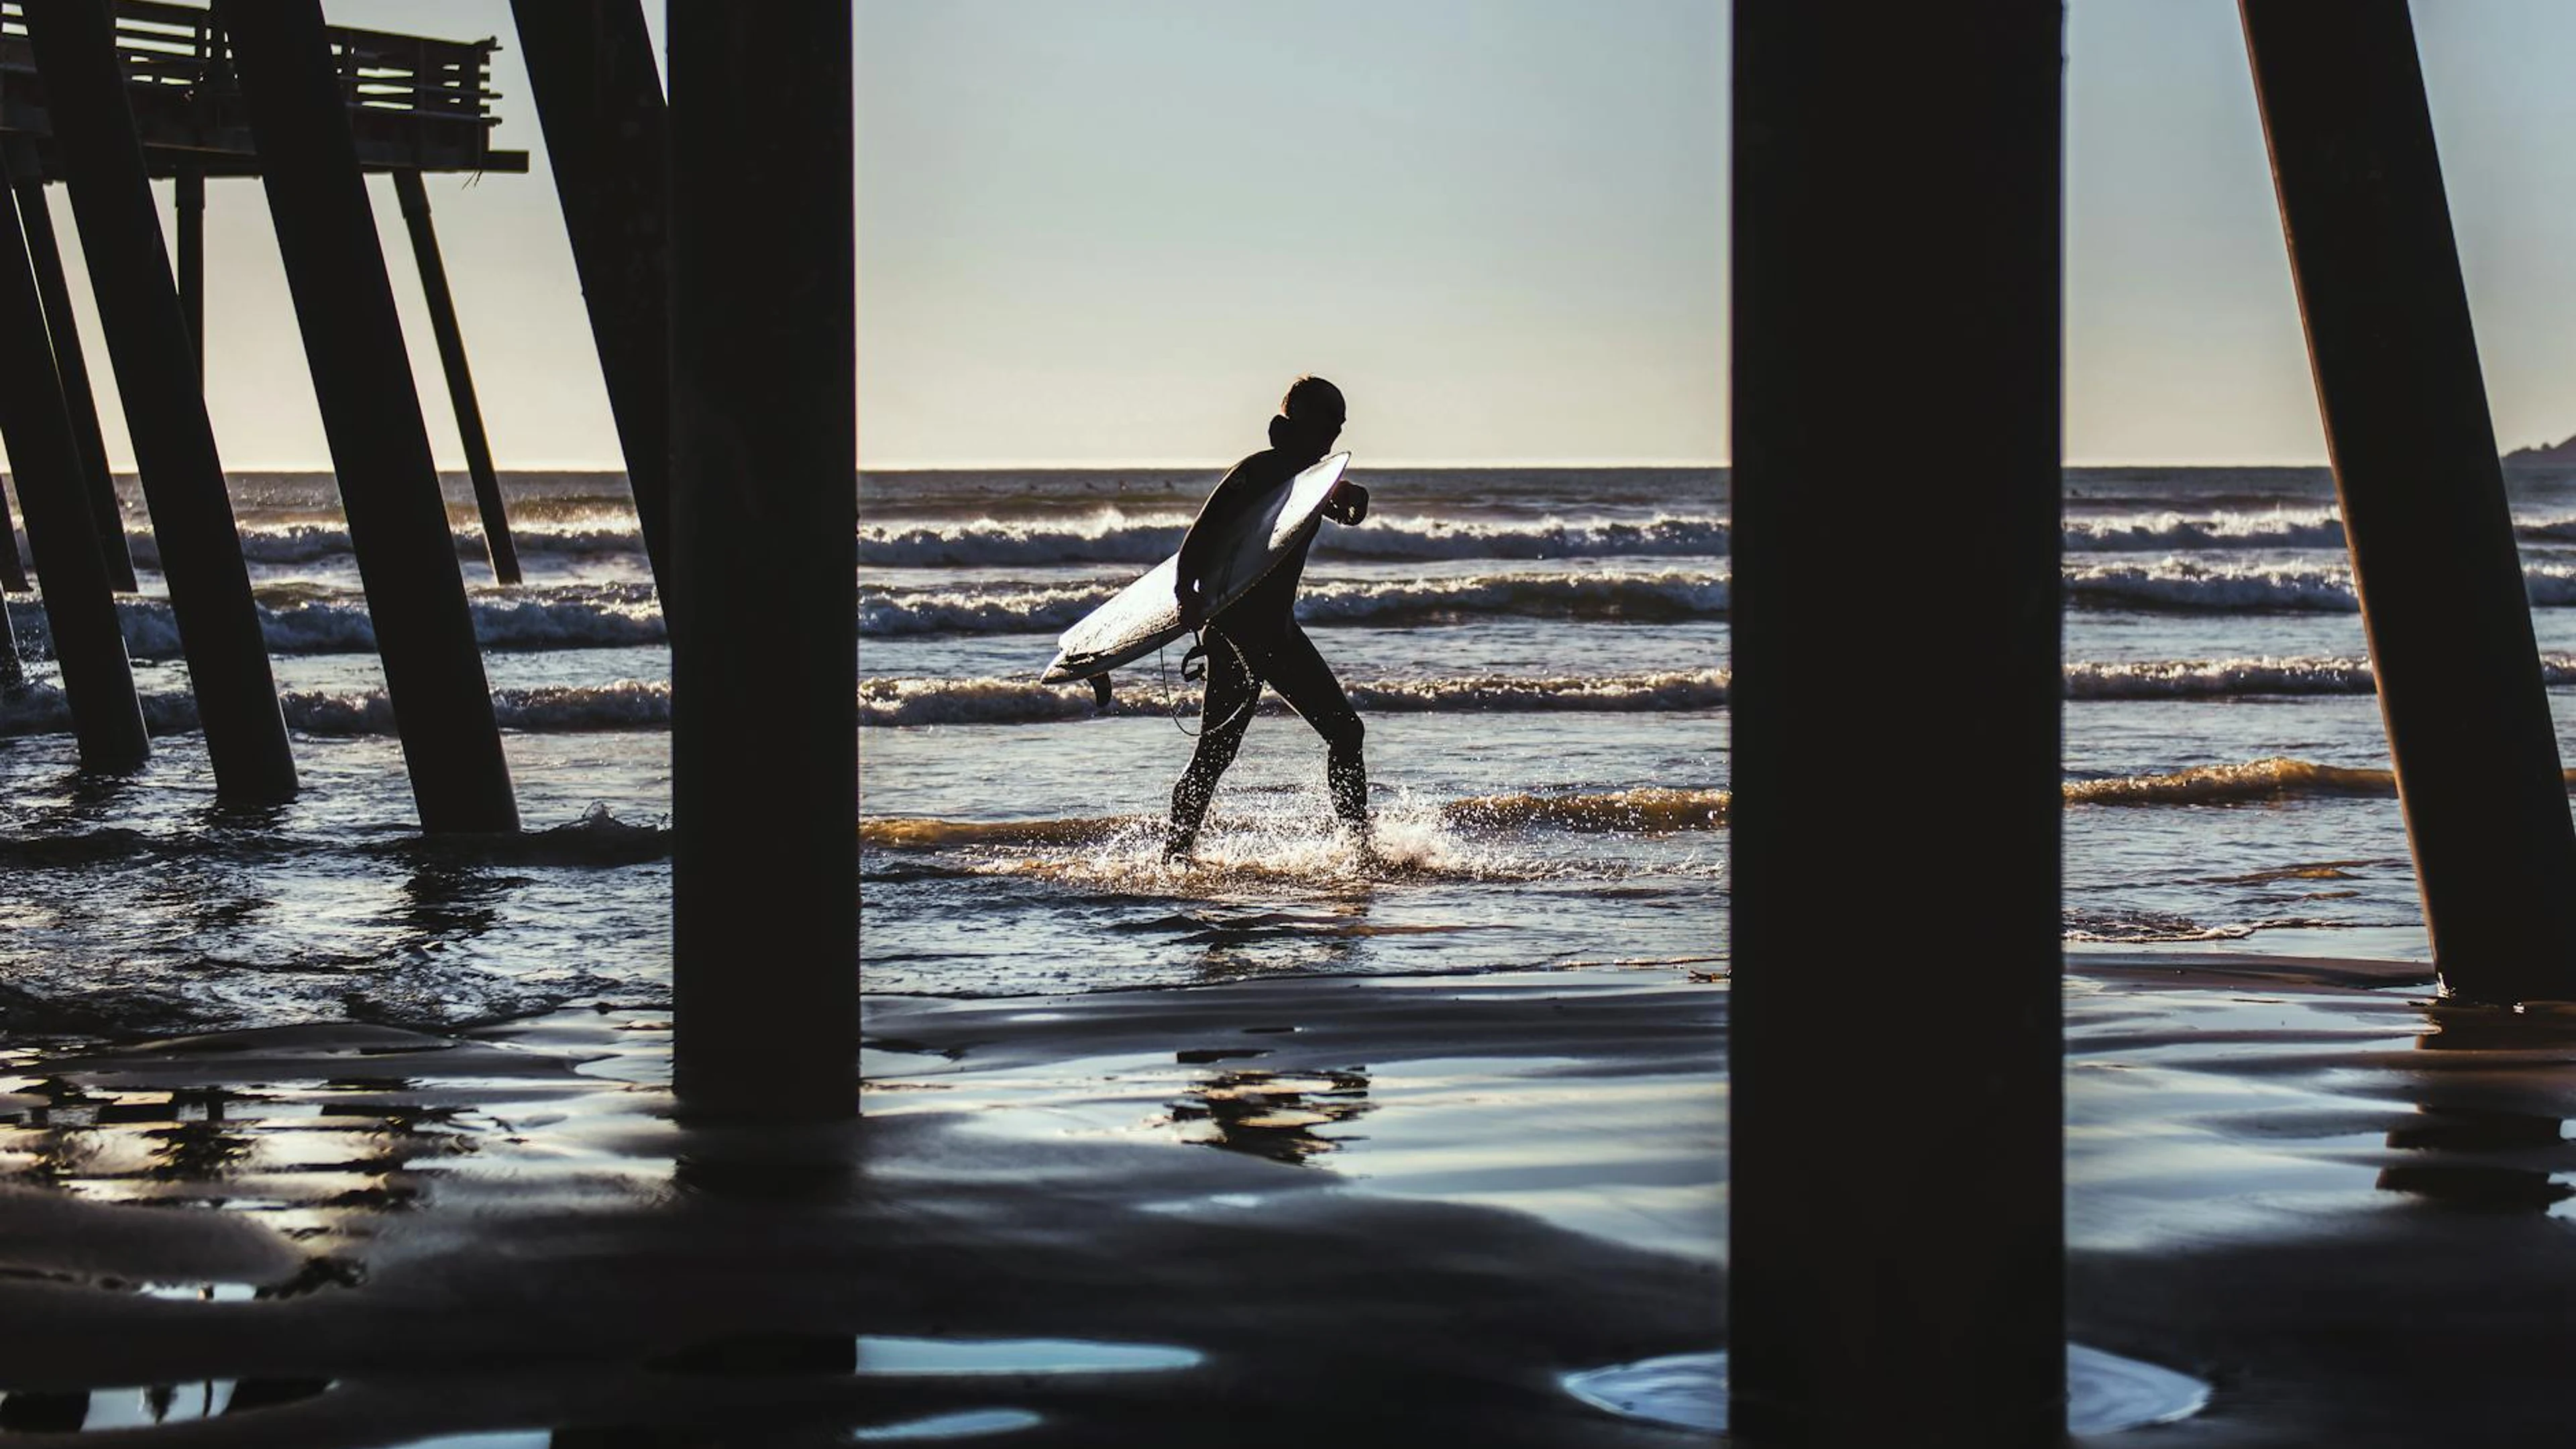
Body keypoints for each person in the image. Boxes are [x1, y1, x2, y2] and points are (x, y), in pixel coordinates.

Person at [1164, 376, 1371, 861]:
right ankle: (1173, 856)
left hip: (1280, 633)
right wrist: (1186, 596)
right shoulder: (1256, 472)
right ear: (1288, 426)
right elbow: (1197, 542)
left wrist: (1353, 499)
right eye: (1324, 426)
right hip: (1237, 635)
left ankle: (1358, 851)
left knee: (1346, 733)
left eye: (1337, 429)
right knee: (1213, 757)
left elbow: (1343, 511)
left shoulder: (1312, 481)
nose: (1330, 439)